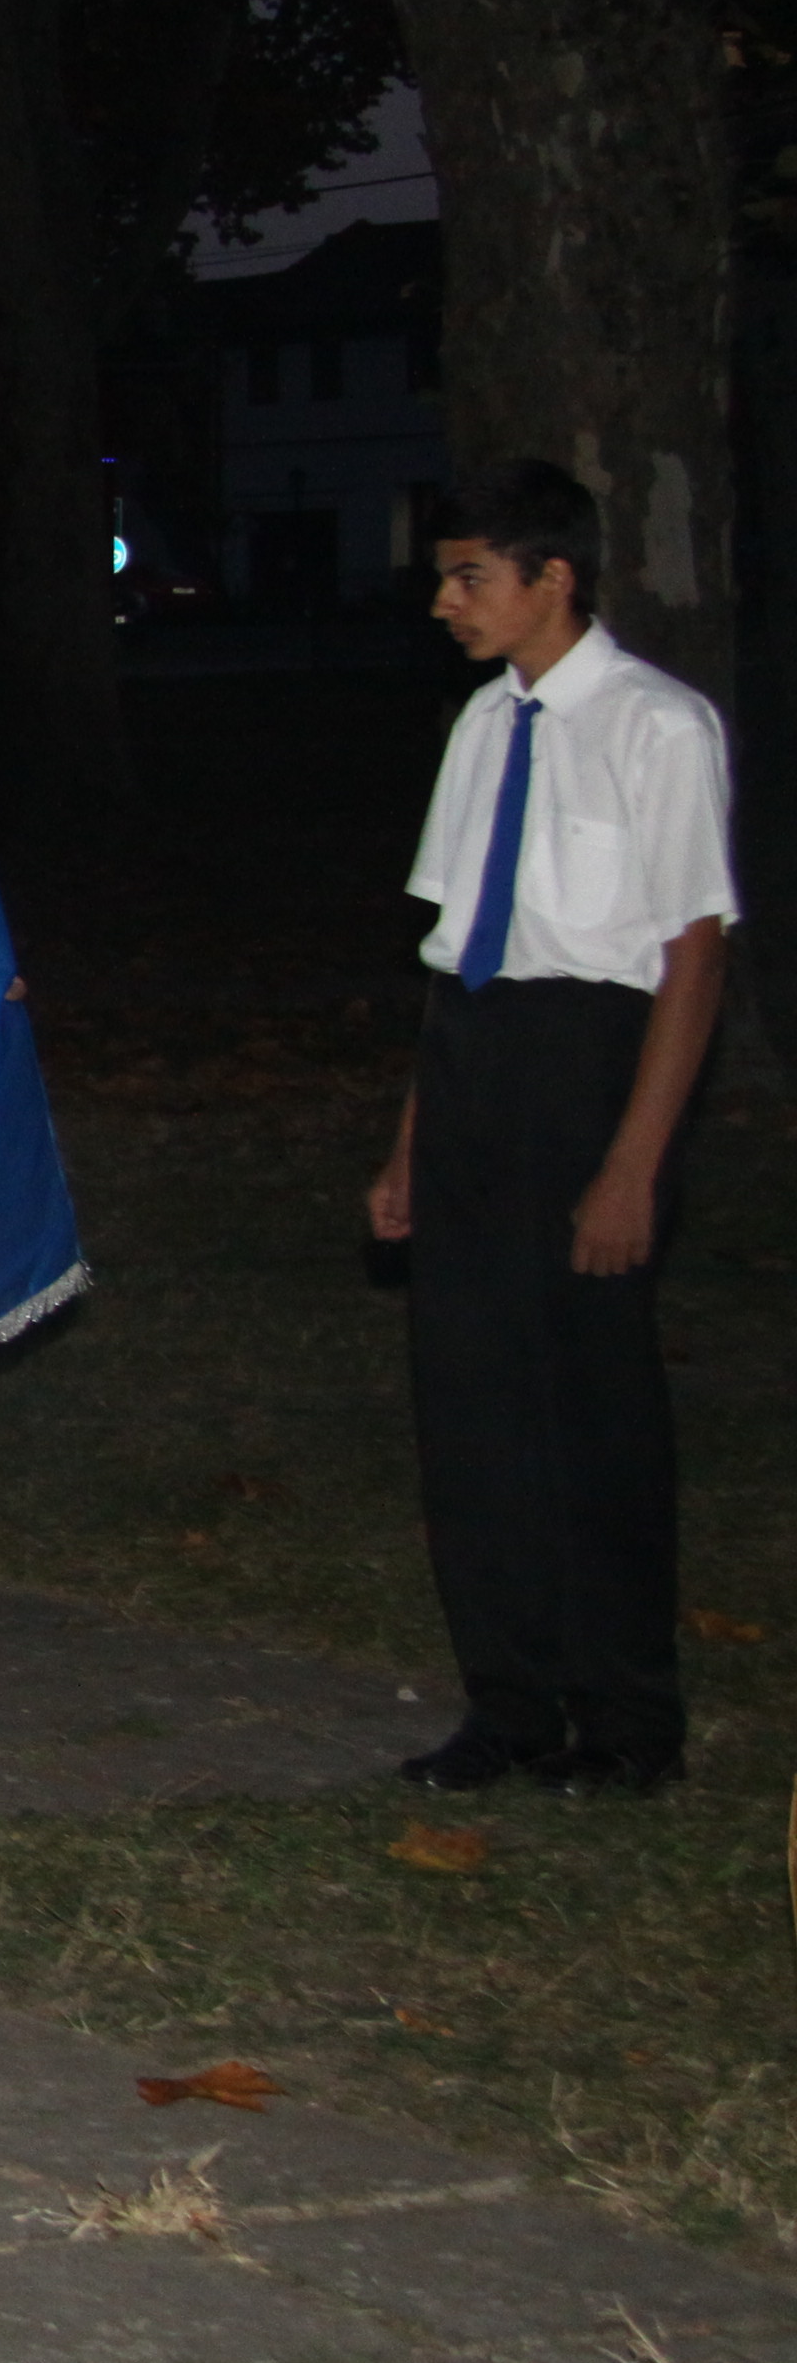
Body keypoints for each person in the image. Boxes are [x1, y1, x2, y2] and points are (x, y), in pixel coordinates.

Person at [367, 457, 736, 1797]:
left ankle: (626, 1715)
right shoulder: (483, 727)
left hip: (590, 1068)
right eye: (445, 579)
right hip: (478, 1063)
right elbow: (457, 949)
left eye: (470, 578)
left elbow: (691, 955)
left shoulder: (658, 726)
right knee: (472, 1405)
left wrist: (633, 1162)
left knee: (590, 1408)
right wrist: (413, 1144)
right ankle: (508, 1699)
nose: (447, 604)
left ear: (554, 577)